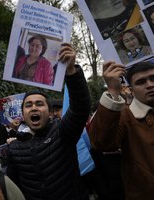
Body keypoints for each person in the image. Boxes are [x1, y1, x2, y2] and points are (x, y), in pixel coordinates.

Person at [7, 43, 91, 200]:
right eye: (28, 105)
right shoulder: (14, 148)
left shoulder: (63, 132)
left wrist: (72, 72)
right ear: (23, 114)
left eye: (39, 104)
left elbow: (80, 108)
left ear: (51, 112)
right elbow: (13, 188)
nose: (34, 108)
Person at [88, 58, 154, 199]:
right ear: (131, 90)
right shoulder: (125, 117)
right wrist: (113, 92)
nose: (150, 85)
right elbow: (101, 143)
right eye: (141, 82)